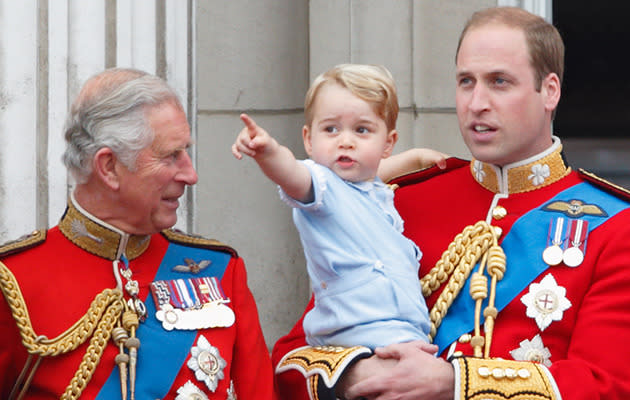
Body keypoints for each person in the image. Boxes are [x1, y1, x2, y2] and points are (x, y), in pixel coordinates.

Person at [272, 6, 630, 400]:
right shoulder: (399, 201)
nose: (476, 102)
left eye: (499, 82)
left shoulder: (614, 226)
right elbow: (293, 356)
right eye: (465, 82)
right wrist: (359, 375)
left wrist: (453, 383)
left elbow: (605, 385)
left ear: (549, 91)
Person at [0, 68, 276, 400]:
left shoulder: (221, 271)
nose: (190, 174)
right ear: (109, 167)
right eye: (172, 156)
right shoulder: (15, 279)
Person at [232, 64, 446, 351]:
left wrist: (416, 158)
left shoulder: (368, 187)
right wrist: (268, 152)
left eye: (362, 130)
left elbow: (376, 175)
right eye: (331, 129)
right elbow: (290, 173)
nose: (345, 141)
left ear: (388, 143)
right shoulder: (319, 184)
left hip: (401, 333)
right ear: (308, 139)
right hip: (358, 335)